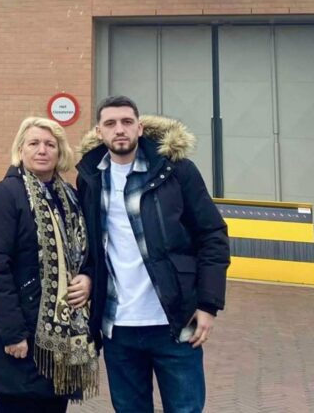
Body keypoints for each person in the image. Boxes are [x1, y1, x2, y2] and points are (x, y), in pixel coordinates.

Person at [76, 96, 230, 413]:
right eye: (110, 124)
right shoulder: (90, 178)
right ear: (99, 132)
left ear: (140, 128)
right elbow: (91, 246)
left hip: (174, 321)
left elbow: (212, 235)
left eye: (127, 122)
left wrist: (208, 304)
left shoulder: (176, 171)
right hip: (117, 327)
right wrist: (88, 277)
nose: (120, 130)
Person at [0, 117, 99, 413]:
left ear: (60, 152)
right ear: (20, 150)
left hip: (64, 344)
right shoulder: (3, 195)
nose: (42, 150)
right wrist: (13, 333)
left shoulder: (71, 197)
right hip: (23, 334)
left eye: (50, 144)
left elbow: (87, 254)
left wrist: (88, 278)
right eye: (33, 143)